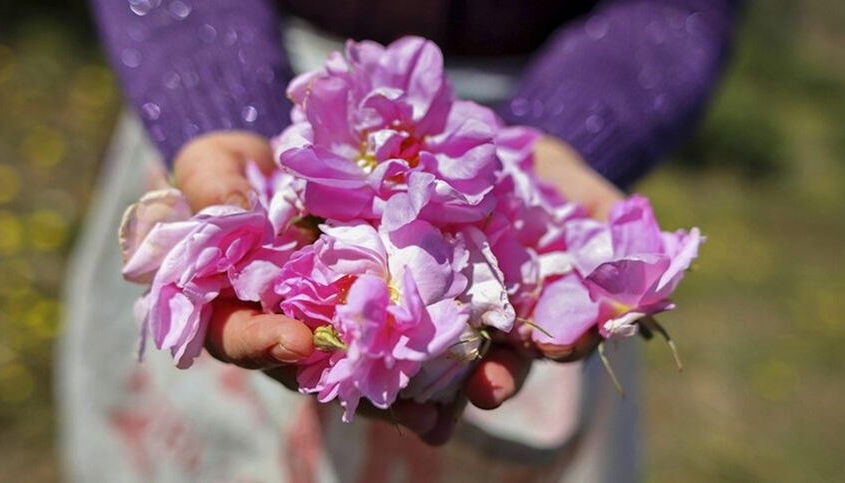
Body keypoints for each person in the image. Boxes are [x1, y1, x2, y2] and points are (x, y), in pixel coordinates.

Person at [59, 0, 739, 481]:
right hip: (242, 92)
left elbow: (678, 9)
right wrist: (214, 97)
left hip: (539, 125)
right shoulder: (280, 151)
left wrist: (557, 139)